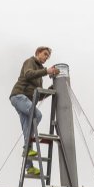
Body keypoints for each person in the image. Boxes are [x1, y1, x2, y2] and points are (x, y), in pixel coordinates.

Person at [9, 46, 60, 176]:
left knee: (27, 129)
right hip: (19, 96)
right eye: (45, 54)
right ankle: (27, 148)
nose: (46, 57)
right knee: (37, 115)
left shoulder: (40, 77)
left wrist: (51, 89)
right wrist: (46, 71)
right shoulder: (30, 62)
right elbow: (28, 74)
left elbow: (39, 95)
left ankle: (29, 166)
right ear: (38, 53)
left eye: (48, 56)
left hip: (27, 101)